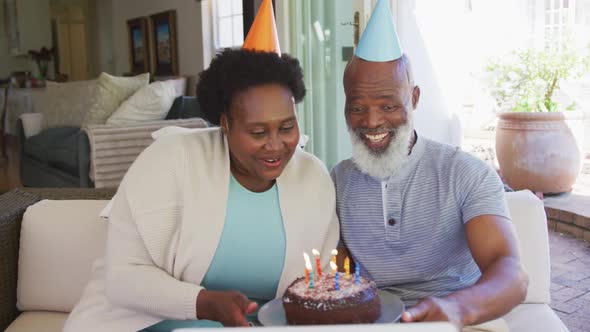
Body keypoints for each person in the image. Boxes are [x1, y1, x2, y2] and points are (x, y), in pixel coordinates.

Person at [64, 2, 338, 331]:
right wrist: (203, 303)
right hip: (153, 323)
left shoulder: (314, 179)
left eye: (287, 127)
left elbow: (319, 283)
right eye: (257, 132)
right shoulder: (171, 159)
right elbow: (122, 278)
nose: (276, 145)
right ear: (224, 123)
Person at [331, 0, 528, 330]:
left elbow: (510, 271)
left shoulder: (464, 173)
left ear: (415, 98)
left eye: (388, 105)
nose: (372, 121)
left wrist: (457, 309)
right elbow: (338, 271)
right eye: (357, 108)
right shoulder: (338, 181)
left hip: (461, 318)